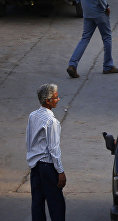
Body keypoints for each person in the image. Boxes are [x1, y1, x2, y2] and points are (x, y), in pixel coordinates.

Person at [26, 84, 66, 221]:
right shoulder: (52, 121)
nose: (58, 99)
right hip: (47, 167)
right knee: (56, 204)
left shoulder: (32, 116)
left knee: (37, 203)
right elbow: (54, 148)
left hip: (35, 166)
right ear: (48, 101)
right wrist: (60, 171)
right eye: (56, 97)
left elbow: (29, 139)